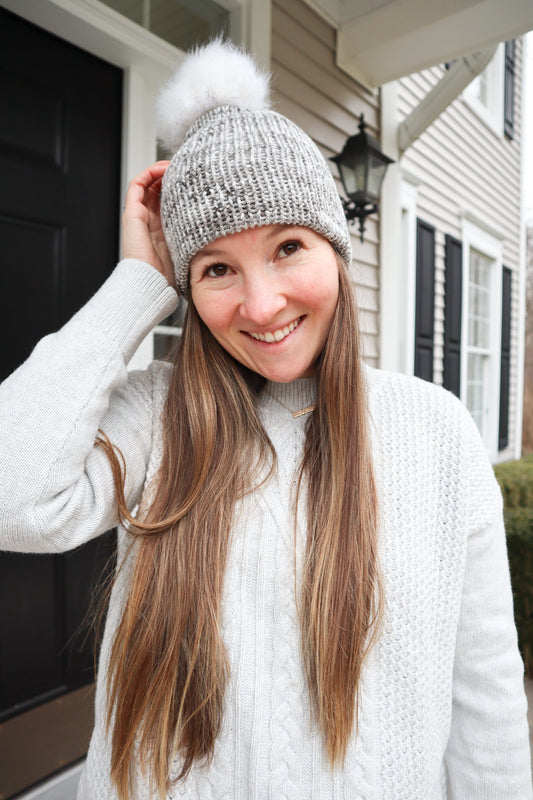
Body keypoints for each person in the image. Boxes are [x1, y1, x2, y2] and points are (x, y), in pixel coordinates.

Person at [0, 39, 531, 800]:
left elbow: (485, 705)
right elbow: (9, 495)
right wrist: (135, 282)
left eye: (287, 247)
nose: (259, 304)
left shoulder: (435, 434)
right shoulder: (155, 417)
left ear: (337, 252)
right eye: (216, 268)